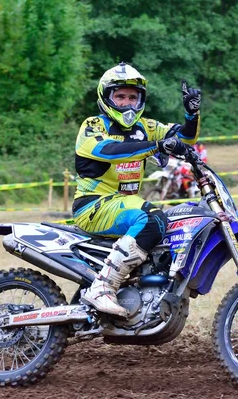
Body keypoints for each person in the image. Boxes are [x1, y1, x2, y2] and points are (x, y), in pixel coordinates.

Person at [73, 62, 201, 317]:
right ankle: (102, 287)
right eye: (120, 96)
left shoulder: (146, 127)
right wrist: (156, 146)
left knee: (179, 220)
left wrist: (191, 116)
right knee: (153, 219)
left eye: (133, 97)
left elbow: (183, 138)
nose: (128, 103)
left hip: (125, 206)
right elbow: (108, 151)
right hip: (94, 205)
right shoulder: (93, 126)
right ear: (106, 97)